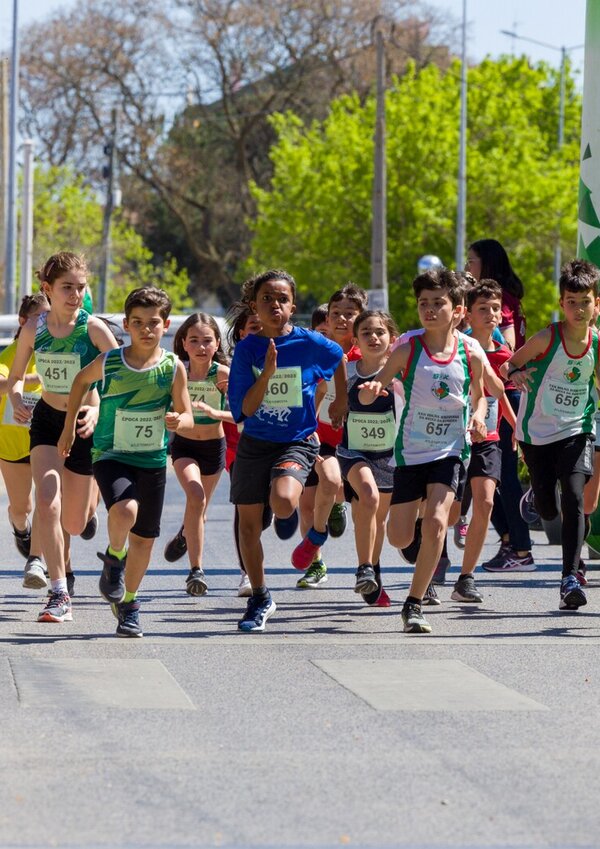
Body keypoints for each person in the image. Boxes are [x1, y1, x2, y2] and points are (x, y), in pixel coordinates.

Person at [57, 286, 194, 637]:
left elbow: (188, 414)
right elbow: (79, 382)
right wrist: (69, 428)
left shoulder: (172, 367)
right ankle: (115, 557)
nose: (146, 329)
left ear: (166, 325)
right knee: (125, 509)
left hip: (152, 460)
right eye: (138, 322)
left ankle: (129, 604)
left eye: (153, 323)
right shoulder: (111, 361)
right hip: (111, 453)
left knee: (144, 540)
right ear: (127, 324)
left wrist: (178, 421)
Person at [359, 268, 487, 634]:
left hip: (450, 450)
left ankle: (413, 604)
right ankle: (417, 522)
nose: (429, 310)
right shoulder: (408, 349)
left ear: (457, 309)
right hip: (411, 452)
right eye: (423, 304)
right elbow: (378, 385)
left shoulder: (470, 352)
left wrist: (479, 417)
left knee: (437, 522)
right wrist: (371, 391)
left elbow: (479, 397)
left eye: (438, 303)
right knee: (400, 537)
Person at [228, 269, 345, 632]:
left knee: (282, 502)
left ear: (293, 306)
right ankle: (260, 597)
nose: (275, 305)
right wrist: (266, 374)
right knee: (248, 526)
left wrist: (341, 399)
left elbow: (338, 355)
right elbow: (244, 409)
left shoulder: (309, 342)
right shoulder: (247, 349)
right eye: (267, 298)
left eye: (282, 299)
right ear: (254, 306)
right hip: (255, 443)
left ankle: (289, 509)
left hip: (297, 440)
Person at [8, 253, 119, 623]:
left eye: (81, 287)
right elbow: (17, 376)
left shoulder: (93, 329)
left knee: (74, 523)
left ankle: (89, 509)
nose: (75, 295)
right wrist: (16, 399)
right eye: (67, 287)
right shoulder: (33, 327)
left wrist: (98, 409)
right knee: (47, 502)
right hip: (47, 421)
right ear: (48, 289)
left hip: (85, 424)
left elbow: (122, 375)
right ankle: (59, 593)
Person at [509, 259, 600, 611]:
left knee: (575, 498)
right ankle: (537, 493)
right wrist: (515, 374)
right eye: (571, 302)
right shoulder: (548, 338)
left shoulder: (596, 342)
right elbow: (509, 363)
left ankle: (569, 578)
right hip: (537, 433)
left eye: (585, 301)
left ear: (596, 304)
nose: (579, 309)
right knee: (549, 510)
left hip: (577, 428)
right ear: (562, 304)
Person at [466, 238, 534, 572]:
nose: (468, 267)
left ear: (487, 263)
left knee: (498, 473)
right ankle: (511, 541)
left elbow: (506, 347)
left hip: (501, 392)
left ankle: (519, 548)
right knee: (486, 472)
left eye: (472, 260)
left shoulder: (499, 300)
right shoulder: (504, 296)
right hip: (489, 393)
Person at [293, 284, 366, 586]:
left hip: (357, 442)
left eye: (350, 314)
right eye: (336, 313)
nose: (342, 319)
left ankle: (367, 566)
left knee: (345, 492)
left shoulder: (366, 353)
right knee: (307, 504)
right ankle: (316, 562)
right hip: (317, 438)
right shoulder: (314, 353)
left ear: (361, 317)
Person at [452, 280, 518, 603]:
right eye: (483, 309)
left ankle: (466, 578)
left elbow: (500, 392)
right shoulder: (456, 347)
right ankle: (433, 563)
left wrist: (516, 427)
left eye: (496, 309)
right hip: (452, 438)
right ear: (467, 314)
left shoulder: (503, 353)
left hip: (487, 437)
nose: (491, 314)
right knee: (446, 513)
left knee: (486, 502)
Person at [162, 313, 229, 597]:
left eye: (207, 341)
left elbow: (245, 413)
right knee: (196, 497)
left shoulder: (224, 375)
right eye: (194, 341)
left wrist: (220, 411)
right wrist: (170, 417)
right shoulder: (177, 372)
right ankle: (196, 571)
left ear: (217, 344)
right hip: (185, 446)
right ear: (183, 344)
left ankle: (185, 533)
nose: (201, 347)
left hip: (214, 447)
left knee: (199, 509)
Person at [336, 309, 398, 605]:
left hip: (389, 456)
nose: (373, 337)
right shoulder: (347, 372)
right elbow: (325, 399)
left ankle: (373, 571)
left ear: (392, 338)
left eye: (380, 332)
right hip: (354, 451)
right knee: (368, 498)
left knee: (379, 519)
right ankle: (364, 567)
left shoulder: (400, 373)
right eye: (366, 333)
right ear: (356, 340)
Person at [0, 293, 49, 589]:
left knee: (46, 498)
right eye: (38, 319)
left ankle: (37, 559)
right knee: (22, 508)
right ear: (22, 322)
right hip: (13, 444)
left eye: (48, 318)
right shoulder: (9, 354)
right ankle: (20, 528)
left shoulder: (56, 352)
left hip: (46, 439)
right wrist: (30, 380)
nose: (44, 325)